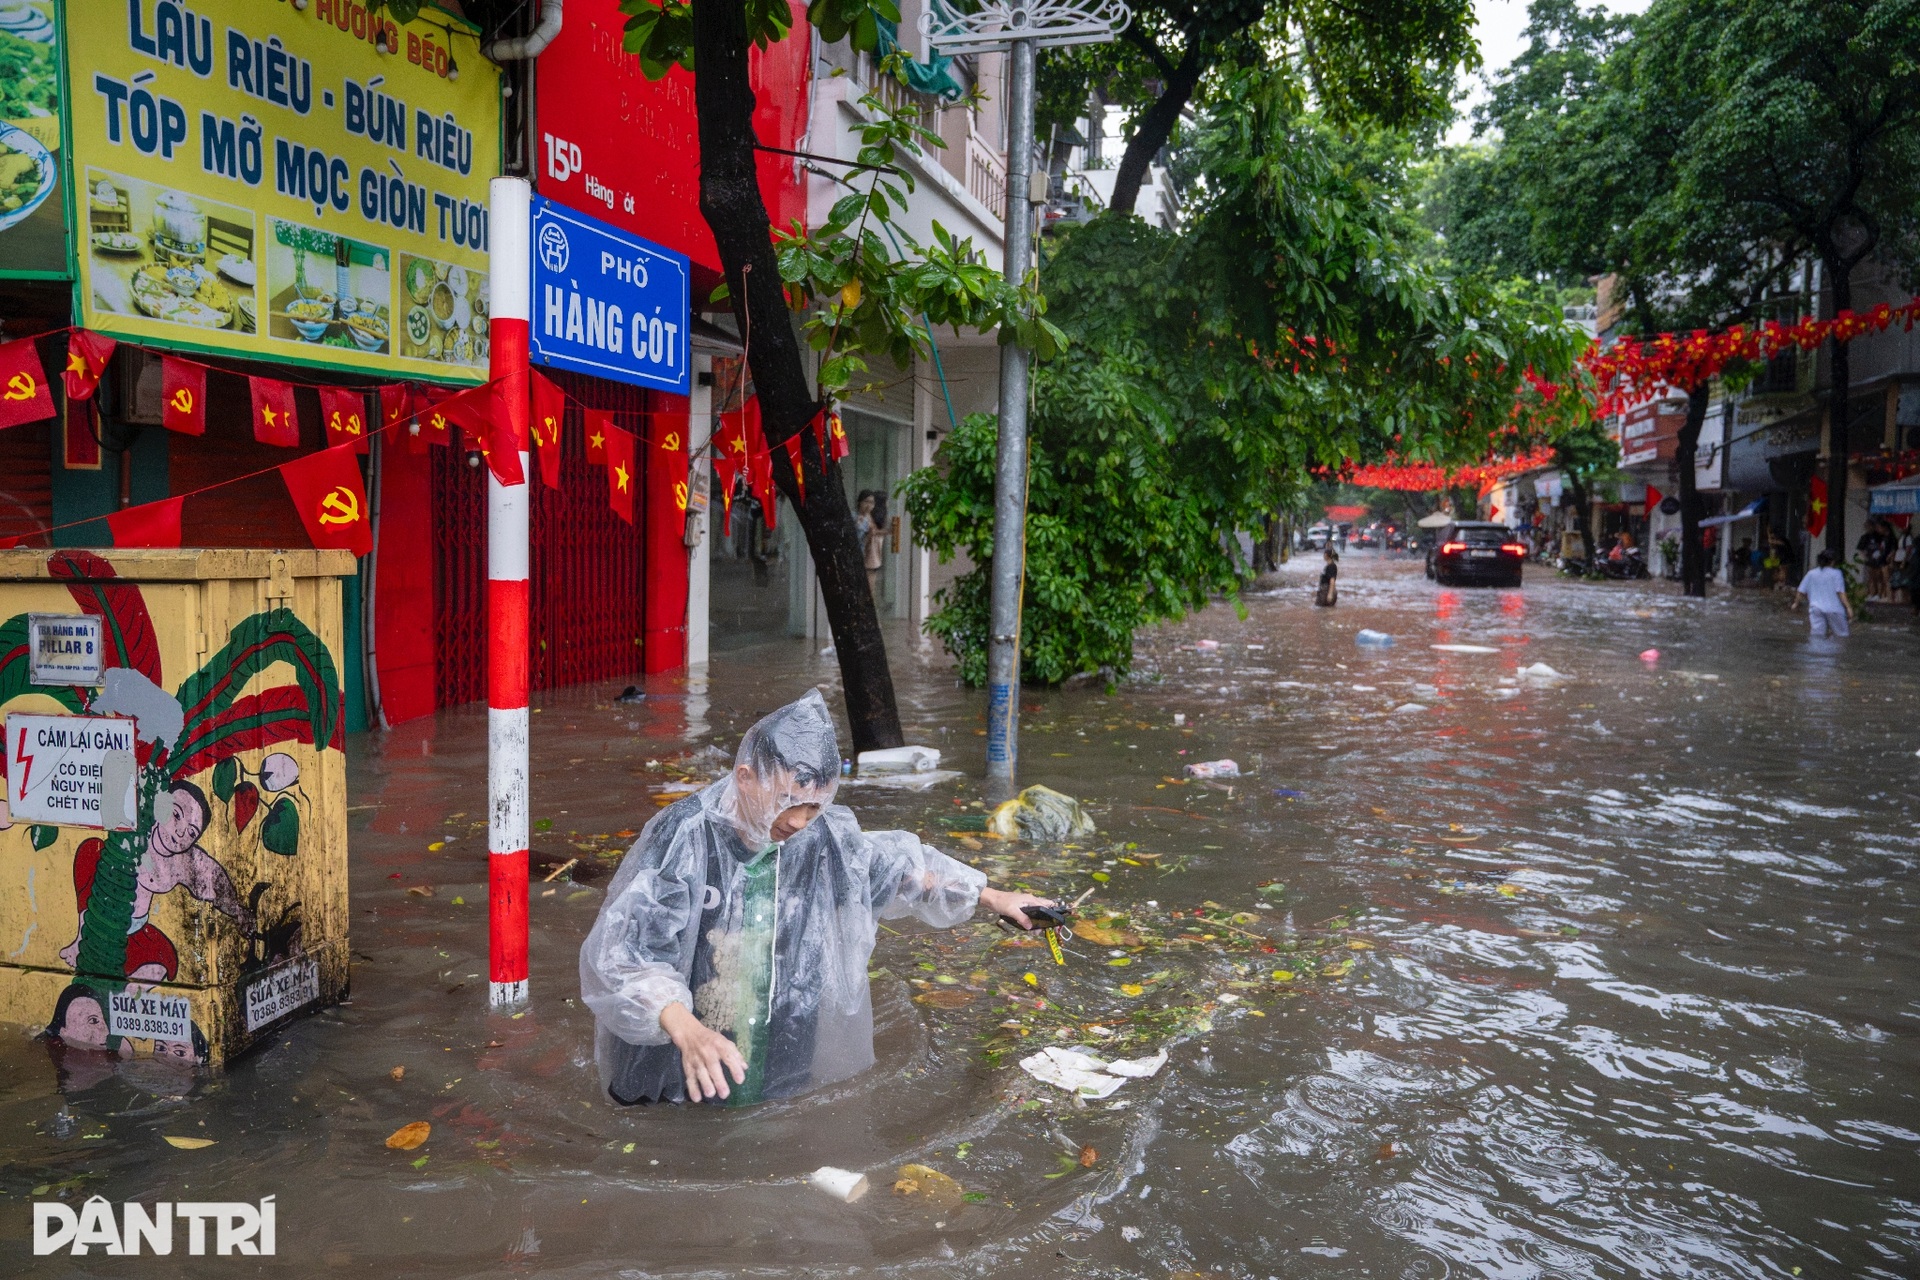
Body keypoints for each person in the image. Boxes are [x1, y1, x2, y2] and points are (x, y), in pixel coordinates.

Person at [580, 691, 1055, 1106]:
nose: (800, 821)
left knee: (773, 1150)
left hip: (779, 1050)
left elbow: (896, 868)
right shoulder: (684, 834)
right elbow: (624, 953)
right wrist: (687, 1029)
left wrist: (993, 896)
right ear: (747, 777)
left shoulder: (818, 836)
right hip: (677, 1056)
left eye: (815, 805)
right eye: (789, 802)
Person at [1793, 549, 1854, 638]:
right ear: (1832, 562)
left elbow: (1801, 591)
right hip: (1834, 609)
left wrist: (1796, 603)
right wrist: (1848, 607)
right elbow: (1841, 593)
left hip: (1816, 609)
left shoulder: (1811, 573)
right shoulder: (1836, 573)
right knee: (1842, 635)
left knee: (1817, 636)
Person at [1857, 518, 1895, 601]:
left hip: (1881, 560)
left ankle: (1881, 594)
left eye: (1870, 526)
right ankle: (1872, 594)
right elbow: (1860, 549)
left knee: (1881, 578)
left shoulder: (1881, 536)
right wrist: (1865, 557)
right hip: (1870, 560)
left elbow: (1888, 548)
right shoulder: (1865, 537)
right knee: (1871, 578)